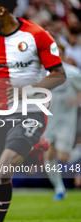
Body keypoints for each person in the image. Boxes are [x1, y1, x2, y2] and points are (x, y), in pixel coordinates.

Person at [0, 1, 66, 222]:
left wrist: (27, 91)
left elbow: (58, 74)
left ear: (1, 10)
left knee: (3, 171)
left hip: (31, 112)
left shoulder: (36, 35)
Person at [43, 42, 81, 201]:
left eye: (59, 53)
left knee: (63, 157)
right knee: (48, 156)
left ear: (64, 55)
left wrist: (76, 100)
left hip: (66, 121)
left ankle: (79, 150)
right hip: (49, 121)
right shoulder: (45, 73)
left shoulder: (72, 73)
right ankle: (59, 189)